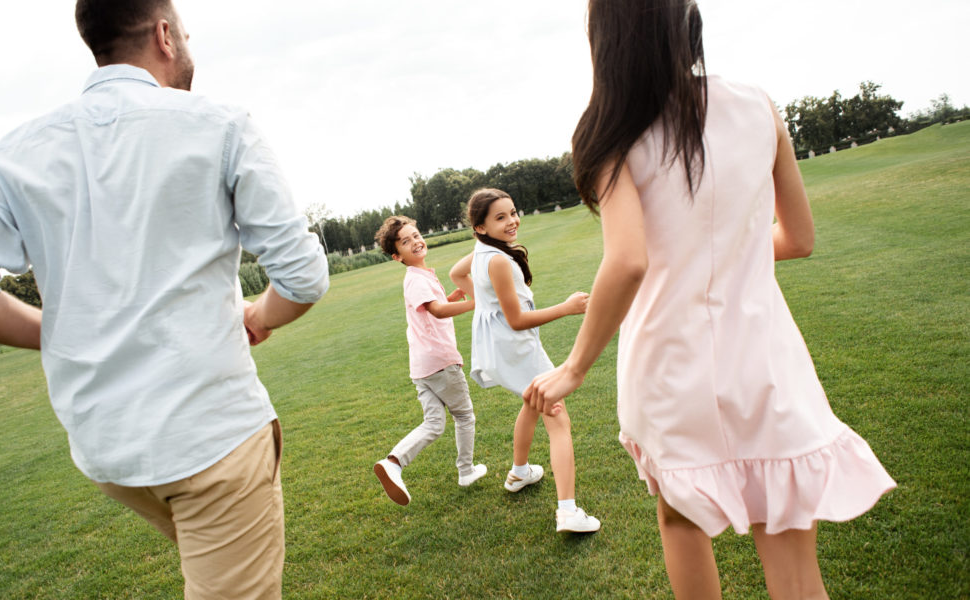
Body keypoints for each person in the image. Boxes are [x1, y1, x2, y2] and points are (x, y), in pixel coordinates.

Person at [0, 0, 329, 597]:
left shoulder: (16, 152)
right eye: (185, 31)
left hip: (109, 455)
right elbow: (303, 275)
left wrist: (64, 329)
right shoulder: (220, 125)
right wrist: (258, 314)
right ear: (164, 35)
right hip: (213, 442)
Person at [523, 1, 896, 597]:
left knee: (678, 519)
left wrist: (574, 366)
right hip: (765, 359)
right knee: (794, 562)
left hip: (669, 368)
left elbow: (628, 259)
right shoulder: (757, 105)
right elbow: (798, 239)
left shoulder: (613, 129)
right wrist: (728, 252)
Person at [450, 189, 600, 533]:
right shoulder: (498, 260)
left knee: (532, 403)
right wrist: (567, 307)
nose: (512, 221)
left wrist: (484, 304)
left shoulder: (483, 251)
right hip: (516, 346)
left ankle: (519, 472)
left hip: (504, 347)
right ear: (481, 227)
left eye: (513, 213)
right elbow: (516, 319)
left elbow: (458, 274)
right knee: (558, 418)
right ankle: (568, 512)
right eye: (500, 217)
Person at [372, 216, 488, 505]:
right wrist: (474, 303)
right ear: (397, 255)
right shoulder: (415, 278)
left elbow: (431, 309)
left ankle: (393, 462)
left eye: (416, 235)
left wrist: (454, 296)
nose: (415, 241)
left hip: (422, 367)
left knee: (434, 423)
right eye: (406, 241)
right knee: (464, 416)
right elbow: (436, 311)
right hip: (441, 362)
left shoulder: (421, 277)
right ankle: (466, 470)